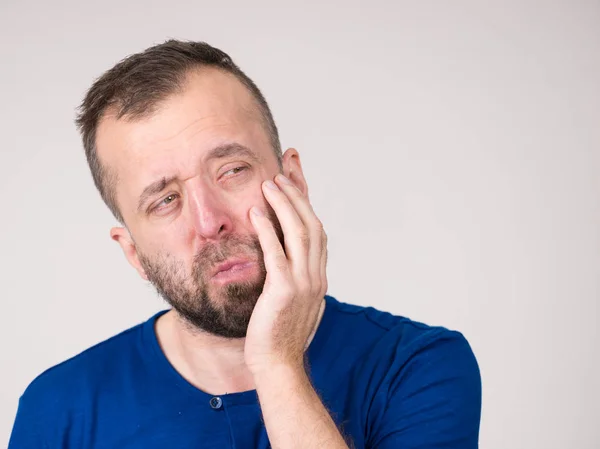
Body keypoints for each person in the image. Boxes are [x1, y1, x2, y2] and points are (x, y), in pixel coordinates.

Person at [8, 40, 482, 448]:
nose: (210, 221)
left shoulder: (418, 367)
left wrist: (277, 365)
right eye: (166, 200)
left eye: (231, 171)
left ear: (292, 179)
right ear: (133, 254)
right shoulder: (58, 412)